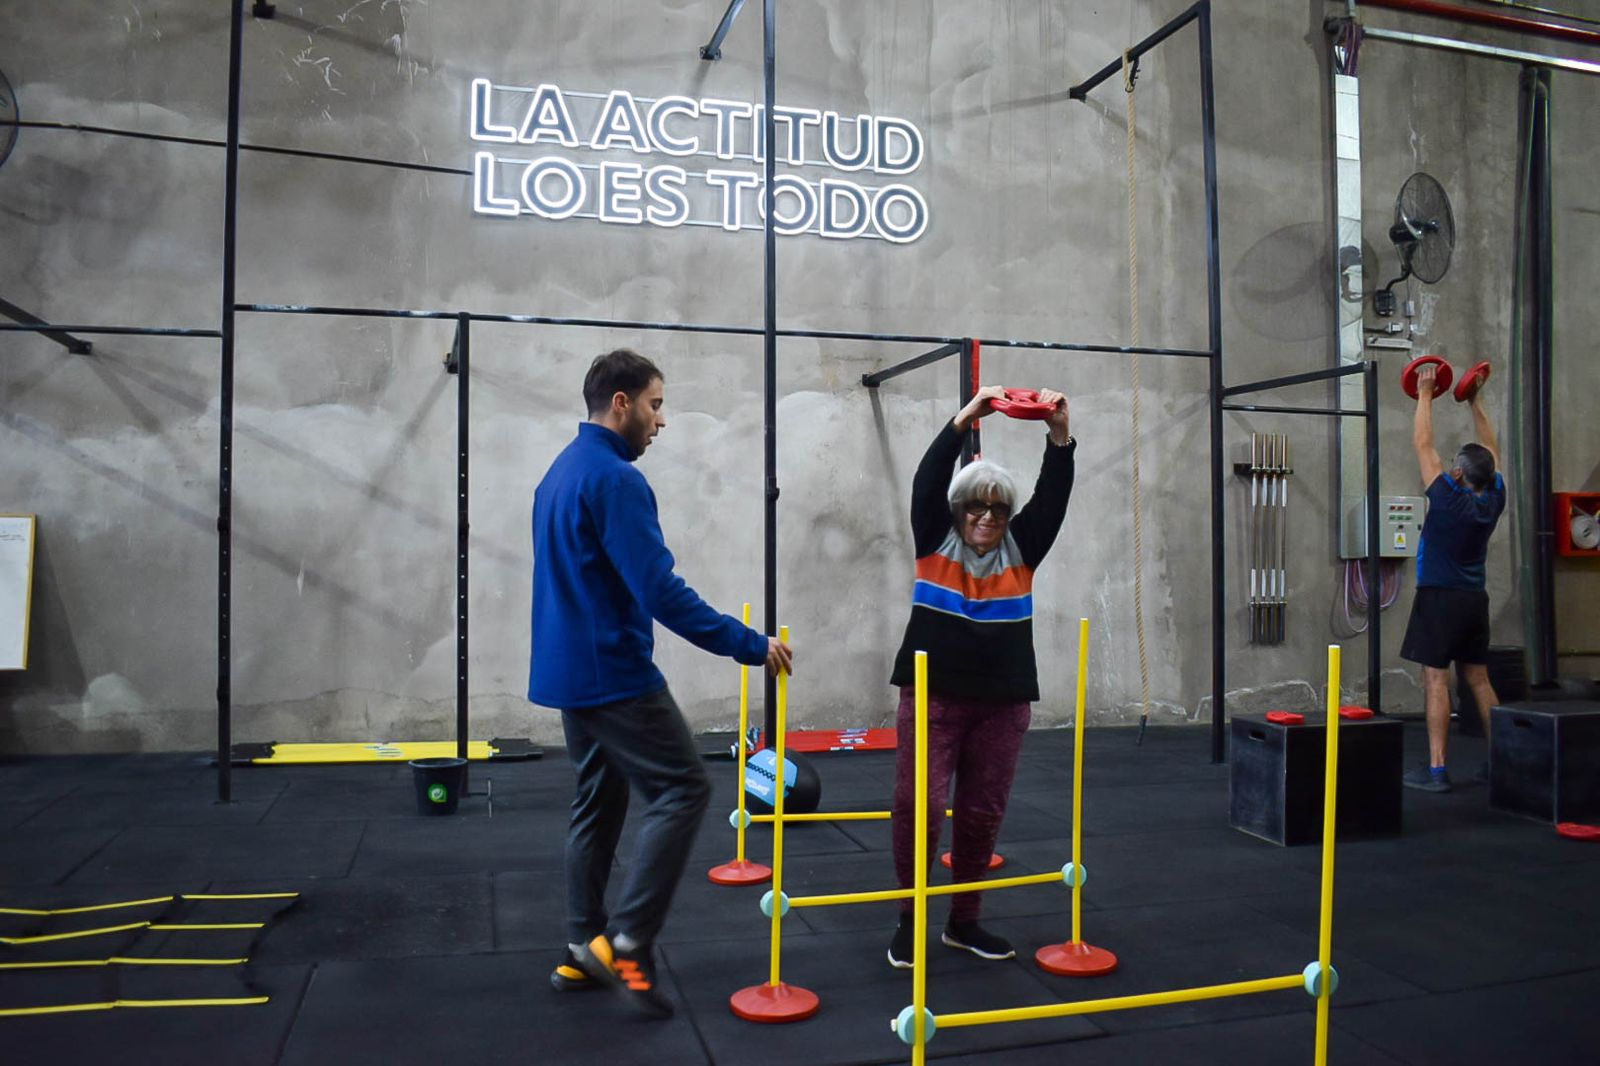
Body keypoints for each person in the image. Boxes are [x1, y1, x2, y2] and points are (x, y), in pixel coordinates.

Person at [529, 348, 793, 1017]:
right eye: (655, 404)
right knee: (683, 789)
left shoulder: (560, 472)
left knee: (598, 800)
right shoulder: (615, 479)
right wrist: (747, 644)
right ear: (621, 403)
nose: (662, 420)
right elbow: (659, 590)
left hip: (569, 672)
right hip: (613, 673)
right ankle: (628, 942)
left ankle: (582, 945)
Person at [886, 383, 1075, 968]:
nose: (987, 517)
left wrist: (1059, 433)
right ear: (958, 510)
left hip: (1002, 704)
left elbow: (1054, 495)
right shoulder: (933, 539)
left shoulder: (1024, 548)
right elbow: (927, 478)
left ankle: (963, 923)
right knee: (919, 808)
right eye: (976, 506)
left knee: (981, 813)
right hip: (933, 698)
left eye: (998, 508)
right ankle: (910, 920)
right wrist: (969, 414)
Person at [1399, 362, 1506, 793]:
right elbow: (1491, 450)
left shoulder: (1447, 499)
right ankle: (1503, 762)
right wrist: (1474, 400)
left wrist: (1425, 394)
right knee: (1478, 678)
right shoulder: (1494, 496)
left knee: (1436, 679)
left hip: (1440, 598)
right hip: (1474, 599)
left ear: (1458, 474)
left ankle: (1437, 770)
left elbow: (1423, 444)